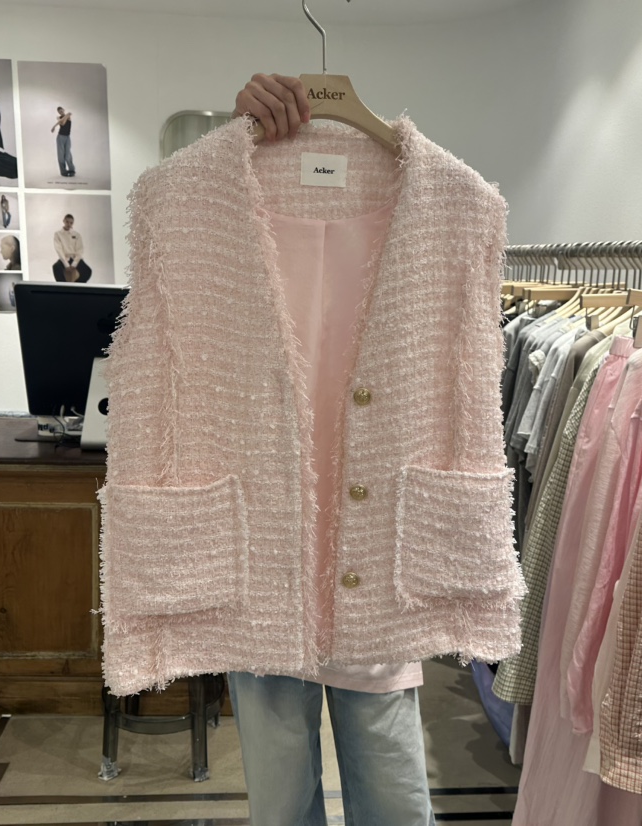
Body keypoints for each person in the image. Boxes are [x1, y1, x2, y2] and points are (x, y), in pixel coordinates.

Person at [225, 74, 434, 826]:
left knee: (394, 794)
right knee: (280, 800)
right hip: (262, 560)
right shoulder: (211, 209)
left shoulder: (438, 211)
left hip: (373, 558)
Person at [52, 214, 91, 282]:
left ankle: (76, 286)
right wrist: (66, 264)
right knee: (56, 267)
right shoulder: (58, 234)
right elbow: (59, 250)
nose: (69, 224)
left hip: (75, 258)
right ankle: (63, 287)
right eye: (67, 222)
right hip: (64, 258)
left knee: (88, 271)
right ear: (63, 221)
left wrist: (74, 263)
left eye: (71, 223)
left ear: (73, 223)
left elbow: (80, 250)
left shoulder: (77, 235)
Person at [51, 106, 75, 177]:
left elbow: (63, 122)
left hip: (67, 137)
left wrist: (55, 125)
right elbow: (62, 123)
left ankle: (72, 170)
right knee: (61, 155)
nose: (60, 112)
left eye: (61, 110)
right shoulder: (60, 117)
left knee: (68, 155)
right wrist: (56, 124)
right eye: (59, 111)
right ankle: (63, 172)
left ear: (63, 110)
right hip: (60, 137)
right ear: (58, 112)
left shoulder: (68, 115)